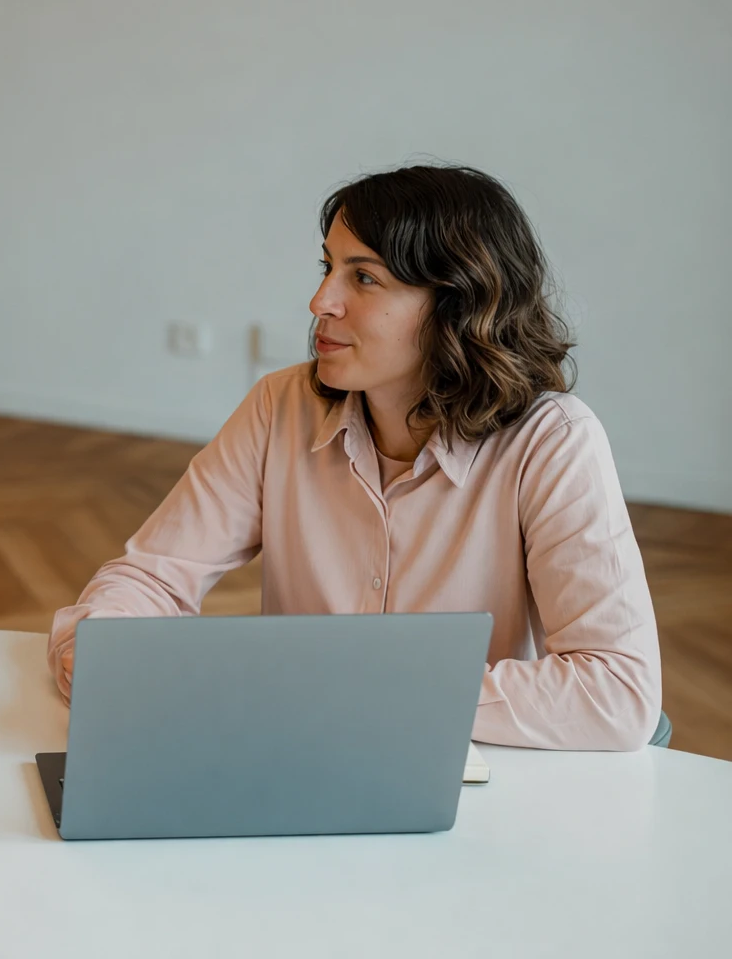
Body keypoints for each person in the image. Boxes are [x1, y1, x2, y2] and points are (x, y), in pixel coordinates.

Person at [49, 165, 661, 750]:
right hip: (295, 755)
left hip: (470, 776)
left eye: (363, 278)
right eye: (328, 267)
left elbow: (617, 691)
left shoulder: (552, 441)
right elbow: (153, 575)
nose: (320, 301)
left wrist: (352, 691)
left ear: (457, 304)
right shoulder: (280, 405)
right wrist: (100, 643)